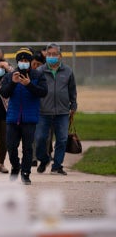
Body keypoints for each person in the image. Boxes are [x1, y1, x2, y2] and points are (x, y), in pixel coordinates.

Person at [0, 48, 47, 185]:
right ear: (17, 62)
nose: (24, 63)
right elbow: (4, 93)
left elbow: (43, 92)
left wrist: (29, 85)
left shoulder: (37, 75)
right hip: (13, 118)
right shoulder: (10, 76)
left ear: (30, 61)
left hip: (29, 118)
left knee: (27, 148)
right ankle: (15, 167)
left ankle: (25, 173)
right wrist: (13, 83)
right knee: (11, 146)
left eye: (26, 60)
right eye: (21, 60)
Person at [35, 43, 78, 175]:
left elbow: (72, 91)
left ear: (60, 56)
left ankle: (57, 166)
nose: (51, 57)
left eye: (54, 54)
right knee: (40, 138)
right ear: (46, 55)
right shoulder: (40, 71)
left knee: (62, 139)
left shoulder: (68, 71)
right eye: (49, 55)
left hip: (63, 112)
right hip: (43, 111)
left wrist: (73, 105)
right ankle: (44, 159)